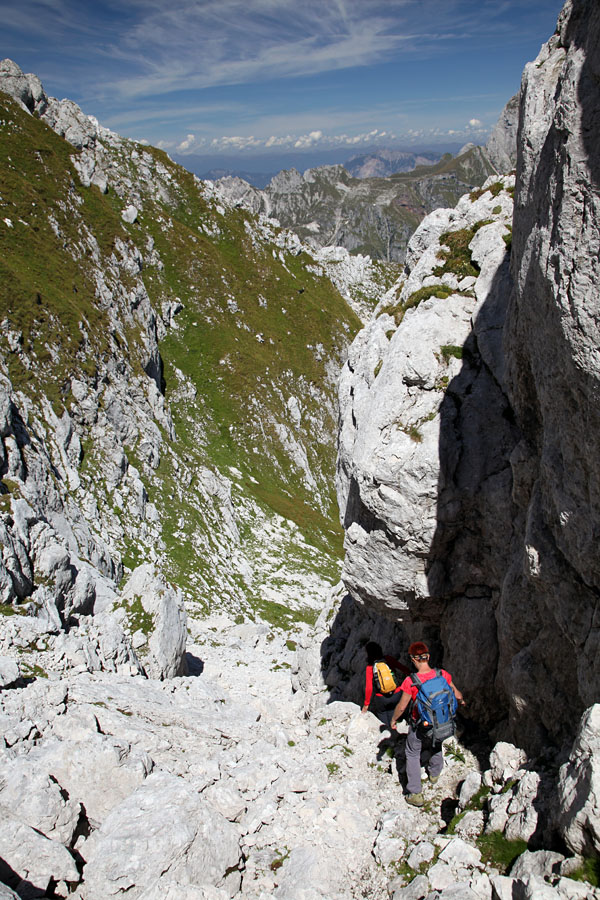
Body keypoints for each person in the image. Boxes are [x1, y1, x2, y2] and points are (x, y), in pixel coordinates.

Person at [390, 641, 465, 807]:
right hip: (442, 721)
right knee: (436, 742)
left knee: (412, 752)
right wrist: (462, 700)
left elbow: (402, 706)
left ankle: (415, 792)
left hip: (421, 724)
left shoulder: (411, 681)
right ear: (428, 657)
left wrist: (394, 720)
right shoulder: (442, 675)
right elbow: (456, 694)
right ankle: (434, 773)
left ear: (413, 659)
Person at [361, 641, 410, 728]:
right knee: (400, 715)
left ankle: (389, 735)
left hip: (381, 698)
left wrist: (366, 705)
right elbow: (402, 668)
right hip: (397, 694)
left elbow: (369, 688)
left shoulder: (370, 667)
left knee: (385, 721)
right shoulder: (388, 659)